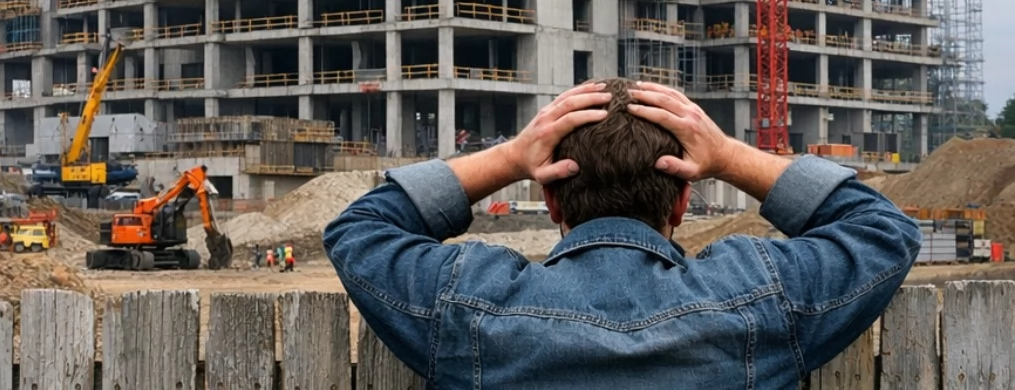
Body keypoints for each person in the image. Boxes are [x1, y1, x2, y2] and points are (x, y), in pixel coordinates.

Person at [324, 79, 921, 388]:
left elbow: (359, 229)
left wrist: (508, 158)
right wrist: (730, 156)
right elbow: (883, 229)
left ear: (551, 197)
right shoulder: (758, 294)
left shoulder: (469, 300)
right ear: (685, 199)